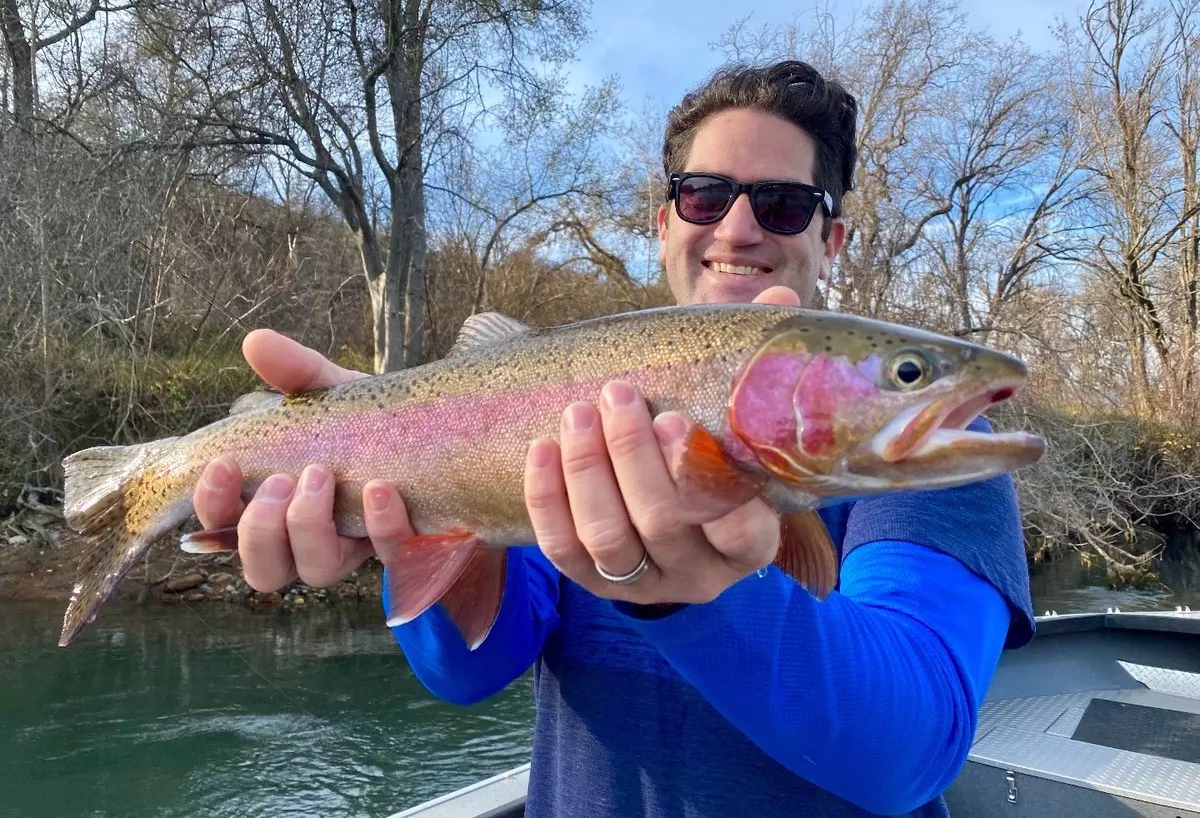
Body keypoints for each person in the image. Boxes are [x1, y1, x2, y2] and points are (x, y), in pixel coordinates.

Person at [192, 61, 1034, 816]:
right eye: (706, 195)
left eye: (782, 206)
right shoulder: (565, 401)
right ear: (665, 223)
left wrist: (688, 594)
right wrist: (400, 482)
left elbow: (909, 751)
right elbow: (469, 670)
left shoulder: (938, 461)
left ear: (832, 241)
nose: (739, 229)